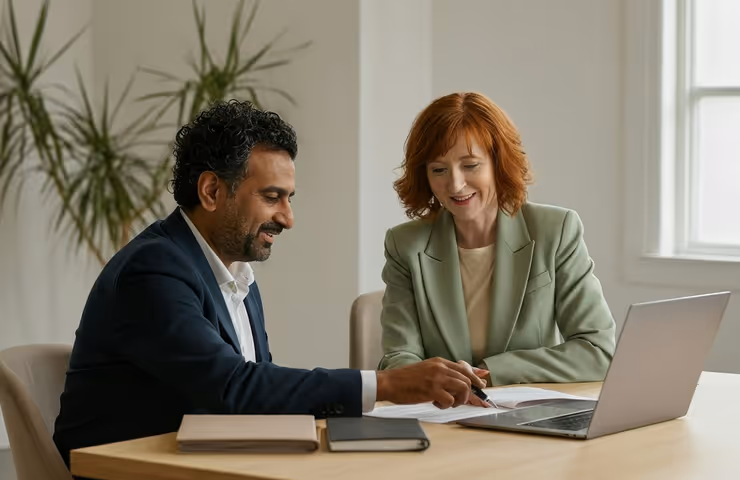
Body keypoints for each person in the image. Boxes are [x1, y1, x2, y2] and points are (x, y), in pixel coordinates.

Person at [53, 100, 486, 467]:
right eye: (271, 196)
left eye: (289, 198)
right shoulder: (153, 270)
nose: (287, 218)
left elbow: (258, 392)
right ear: (210, 191)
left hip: (208, 460)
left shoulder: (235, 273)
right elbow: (234, 387)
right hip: (130, 469)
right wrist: (387, 384)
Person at [378, 92, 616, 395]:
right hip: (441, 418)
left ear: (498, 163)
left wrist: (491, 373)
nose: (455, 184)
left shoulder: (555, 232)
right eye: (439, 169)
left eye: (470, 165)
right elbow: (398, 361)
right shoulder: (405, 244)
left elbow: (598, 352)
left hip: (530, 417)